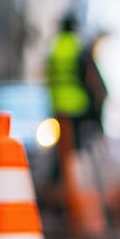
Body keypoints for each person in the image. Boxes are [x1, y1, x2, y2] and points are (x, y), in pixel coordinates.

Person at [45, 11, 91, 149]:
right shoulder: (77, 45)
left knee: (63, 145)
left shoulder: (54, 47)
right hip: (78, 103)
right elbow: (86, 73)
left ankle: (65, 168)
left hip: (58, 103)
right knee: (78, 144)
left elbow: (49, 76)